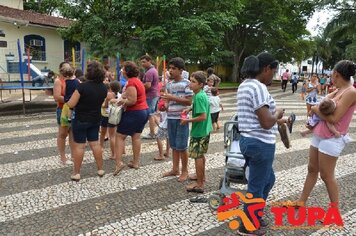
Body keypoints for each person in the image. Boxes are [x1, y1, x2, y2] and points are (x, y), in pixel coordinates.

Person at [293, 60, 356, 209]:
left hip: (332, 138)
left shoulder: (351, 92)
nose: (331, 77)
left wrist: (315, 110)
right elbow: (324, 106)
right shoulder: (338, 89)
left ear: (336, 74)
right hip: (320, 133)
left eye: (332, 74)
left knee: (326, 176)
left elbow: (334, 118)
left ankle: (335, 212)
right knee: (312, 169)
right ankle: (301, 201)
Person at [237, 52, 286, 235]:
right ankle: (247, 226)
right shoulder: (258, 87)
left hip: (249, 140)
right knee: (256, 186)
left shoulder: (245, 85)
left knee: (268, 179)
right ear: (266, 69)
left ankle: (254, 214)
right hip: (260, 143)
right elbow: (266, 122)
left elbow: (254, 116)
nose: (272, 77)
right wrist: (278, 113)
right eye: (273, 72)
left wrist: (276, 119)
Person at [67, 61, 108, 181]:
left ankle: (77, 173)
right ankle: (100, 169)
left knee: (79, 146)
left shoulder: (82, 87)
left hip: (80, 119)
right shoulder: (103, 88)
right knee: (95, 144)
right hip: (95, 119)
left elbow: (71, 103)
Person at [112, 61, 149, 175]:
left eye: (122, 69)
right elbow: (128, 95)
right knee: (136, 136)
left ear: (127, 71)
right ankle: (135, 162)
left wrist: (118, 101)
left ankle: (119, 163)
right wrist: (122, 97)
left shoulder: (131, 82)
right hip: (143, 111)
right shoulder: (137, 81)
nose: (121, 71)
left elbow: (132, 101)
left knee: (119, 136)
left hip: (134, 112)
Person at [161, 57, 193, 182]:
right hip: (171, 117)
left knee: (182, 146)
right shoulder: (169, 84)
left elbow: (189, 101)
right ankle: (175, 169)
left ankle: (185, 171)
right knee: (174, 145)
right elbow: (168, 101)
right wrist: (165, 106)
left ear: (181, 70)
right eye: (170, 68)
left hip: (182, 118)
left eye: (173, 68)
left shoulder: (187, 83)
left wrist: (171, 96)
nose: (170, 71)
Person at [180, 71, 212, 193]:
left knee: (197, 157)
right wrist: (190, 108)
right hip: (205, 130)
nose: (190, 84)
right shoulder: (201, 94)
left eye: (193, 82)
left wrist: (187, 120)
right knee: (201, 155)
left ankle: (199, 184)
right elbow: (201, 107)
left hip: (199, 132)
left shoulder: (198, 96)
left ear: (201, 84)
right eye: (190, 81)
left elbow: (203, 116)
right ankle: (201, 176)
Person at [53, 62, 73, 165]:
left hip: (72, 109)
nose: (67, 70)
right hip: (62, 110)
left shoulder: (73, 79)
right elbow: (56, 97)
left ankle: (74, 155)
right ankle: (63, 157)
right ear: (60, 69)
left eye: (69, 68)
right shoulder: (58, 81)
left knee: (72, 133)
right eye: (65, 68)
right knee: (62, 134)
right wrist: (70, 100)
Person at [100, 80, 121, 160]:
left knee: (108, 135)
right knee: (118, 135)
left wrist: (105, 101)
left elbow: (105, 106)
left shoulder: (108, 95)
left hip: (108, 116)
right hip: (118, 116)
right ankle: (122, 151)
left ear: (110, 88)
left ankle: (113, 154)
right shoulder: (120, 95)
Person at [140, 55, 160, 139]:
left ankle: (152, 133)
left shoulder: (149, 72)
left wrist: (139, 86)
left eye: (144, 62)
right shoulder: (153, 70)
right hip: (155, 94)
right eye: (141, 62)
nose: (142, 64)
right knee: (153, 114)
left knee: (150, 115)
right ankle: (163, 129)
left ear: (149, 61)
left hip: (150, 95)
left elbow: (148, 85)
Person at [153, 89, 170, 161]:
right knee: (168, 138)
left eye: (164, 94)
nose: (162, 95)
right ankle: (167, 152)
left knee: (158, 137)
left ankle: (161, 154)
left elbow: (165, 109)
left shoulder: (166, 102)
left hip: (164, 124)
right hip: (168, 123)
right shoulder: (170, 102)